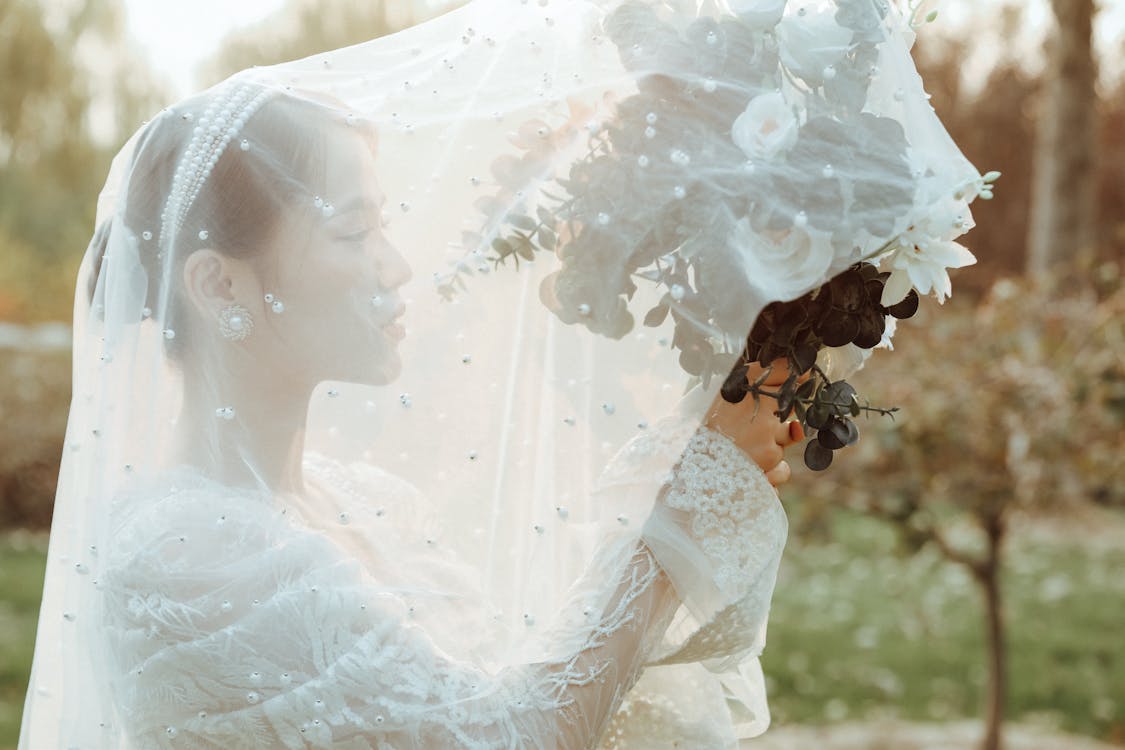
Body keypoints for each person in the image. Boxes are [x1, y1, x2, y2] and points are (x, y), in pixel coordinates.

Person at [20, 0, 983, 746]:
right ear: (218, 284)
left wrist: (676, 470)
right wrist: (685, 512)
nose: (395, 267)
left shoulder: (365, 505)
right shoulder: (186, 552)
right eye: (353, 232)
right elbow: (508, 737)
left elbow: (533, 686)